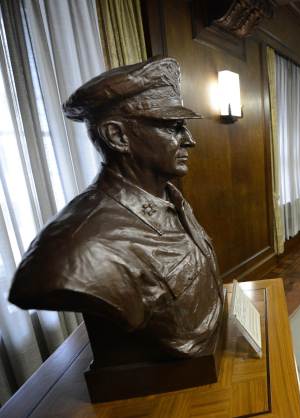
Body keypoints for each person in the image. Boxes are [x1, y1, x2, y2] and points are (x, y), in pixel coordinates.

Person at [8, 57, 224, 364]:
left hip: (209, 355)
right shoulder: (76, 247)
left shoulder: (170, 198)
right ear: (118, 136)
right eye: (172, 127)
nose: (190, 139)